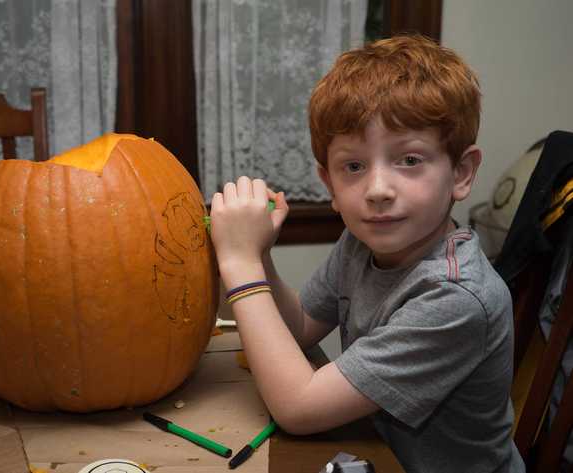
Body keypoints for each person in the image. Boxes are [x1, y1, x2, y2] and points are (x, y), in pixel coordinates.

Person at [209, 34, 524, 473]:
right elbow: (298, 328)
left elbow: (298, 409)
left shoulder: (455, 296)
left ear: (461, 172)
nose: (377, 191)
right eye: (353, 167)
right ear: (329, 184)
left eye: (410, 160)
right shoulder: (361, 243)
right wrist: (259, 254)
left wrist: (239, 266)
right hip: (377, 453)